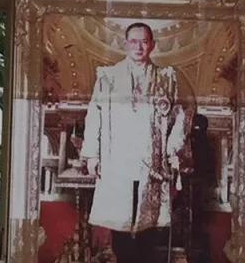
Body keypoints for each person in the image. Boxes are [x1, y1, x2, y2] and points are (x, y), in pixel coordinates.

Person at [79, 22, 193, 263]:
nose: (139, 46)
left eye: (144, 41)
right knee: (120, 231)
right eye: (134, 41)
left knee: (147, 232)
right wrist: (92, 155)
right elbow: (94, 115)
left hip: (151, 162)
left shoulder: (166, 78)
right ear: (125, 44)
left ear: (152, 45)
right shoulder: (107, 77)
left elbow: (181, 115)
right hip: (117, 160)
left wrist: (173, 149)